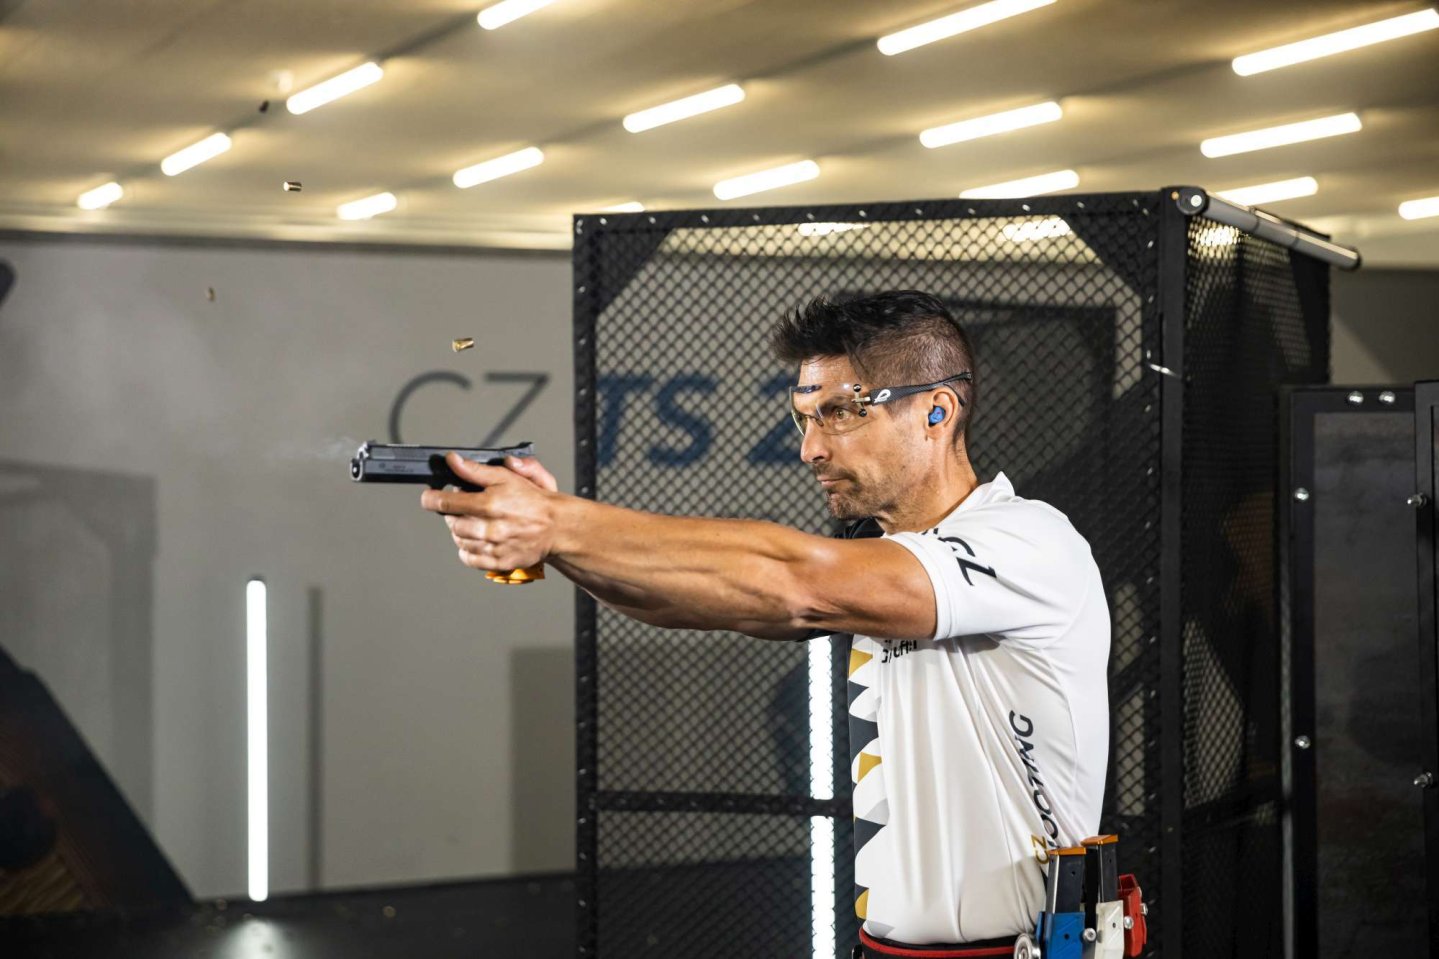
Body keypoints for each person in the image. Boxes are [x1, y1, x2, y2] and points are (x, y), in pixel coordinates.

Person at [420, 290, 1110, 957]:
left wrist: (560, 523)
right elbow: (682, 600)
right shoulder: (880, 562)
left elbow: (795, 583)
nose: (811, 448)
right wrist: (559, 544)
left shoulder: (1026, 540)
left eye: (839, 413)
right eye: (804, 417)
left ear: (936, 409)